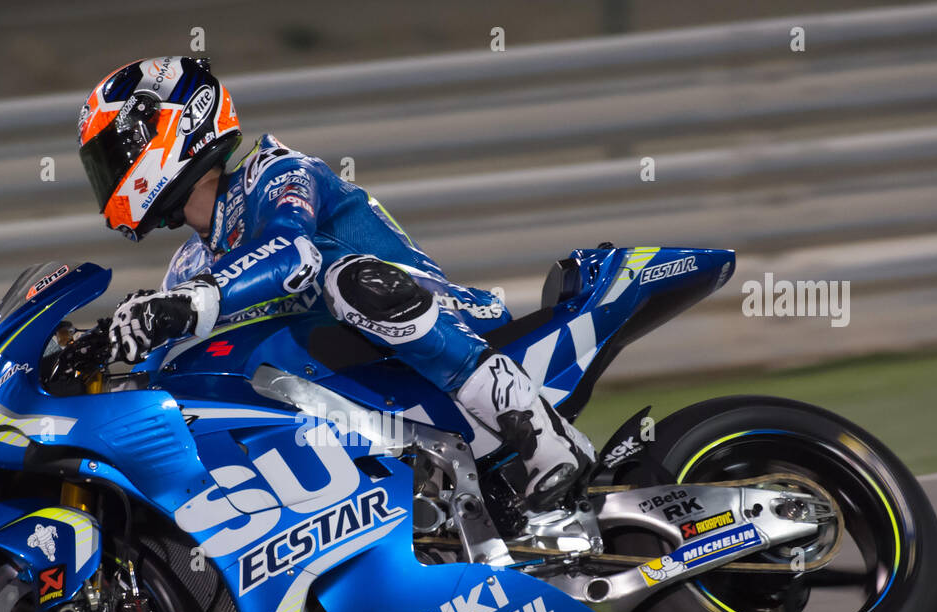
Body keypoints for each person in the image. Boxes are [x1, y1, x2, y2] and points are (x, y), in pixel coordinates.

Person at [77, 56, 593, 509]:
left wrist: (185, 303)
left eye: (113, 154)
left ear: (174, 126)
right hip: (342, 381)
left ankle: (541, 435)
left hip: (440, 318)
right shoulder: (188, 264)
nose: (109, 177)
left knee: (347, 280)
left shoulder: (276, 170)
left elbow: (291, 254)